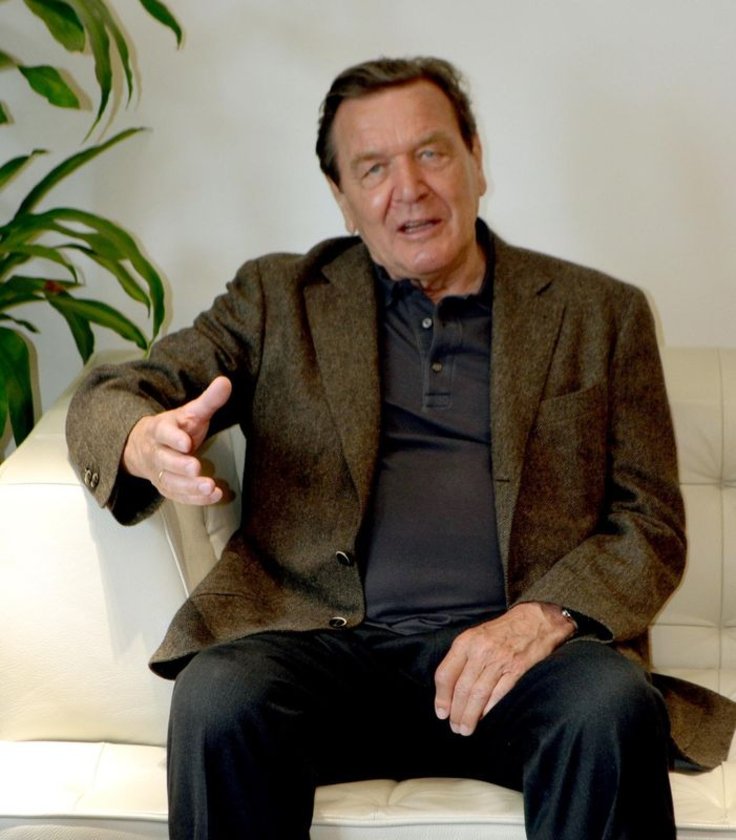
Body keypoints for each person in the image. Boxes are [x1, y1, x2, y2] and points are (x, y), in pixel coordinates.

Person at [67, 56, 736, 839]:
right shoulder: (278, 299)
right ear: (342, 198)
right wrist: (141, 440)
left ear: (477, 160)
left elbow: (649, 523)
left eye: (431, 152)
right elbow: (114, 393)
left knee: (608, 704)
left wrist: (544, 616)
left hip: (520, 666)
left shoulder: (600, 313)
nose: (409, 188)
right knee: (219, 696)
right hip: (324, 657)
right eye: (374, 168)